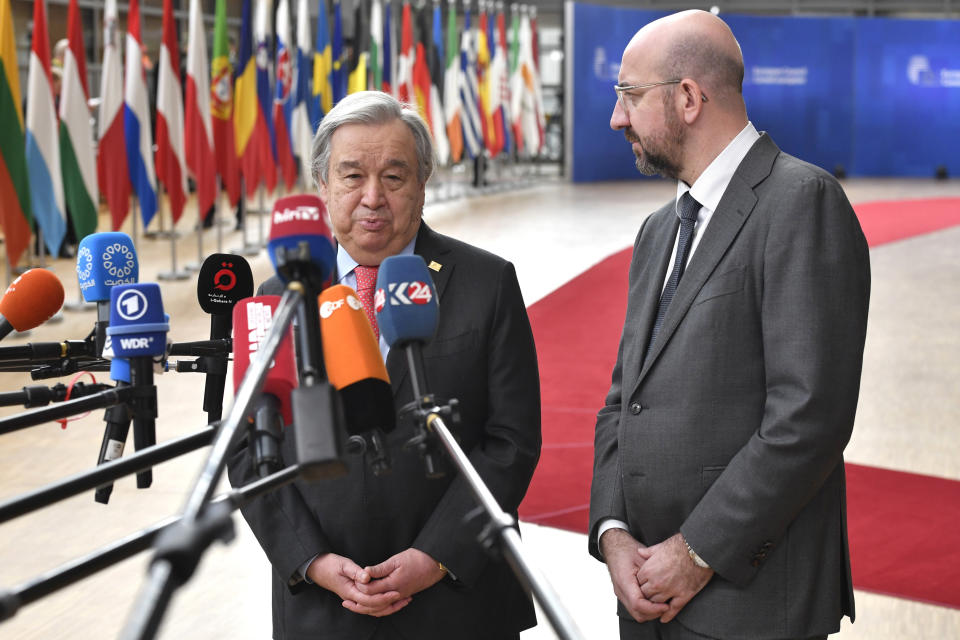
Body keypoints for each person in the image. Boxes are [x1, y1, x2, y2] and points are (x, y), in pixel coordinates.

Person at [589, 10, 870, 640]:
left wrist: (695, 553)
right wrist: (613, 535)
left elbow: (810, 417)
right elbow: (621, 401)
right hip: (643, 596)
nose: (616, 118)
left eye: (629, 95)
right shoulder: (658, 230)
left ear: (688, 98)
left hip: (750, 605)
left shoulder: (802, 202)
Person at [228, 91, 541, 640]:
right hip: (324, 608)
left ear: (423, 184)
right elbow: (252, 450)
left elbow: (510, 441)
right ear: (323, 185)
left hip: (459, 601)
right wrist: (313, 562)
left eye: (394, 178)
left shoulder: (485, 283)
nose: (373, 198)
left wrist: (437, 556)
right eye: (352, 177)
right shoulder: (277, 298)